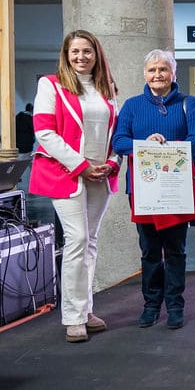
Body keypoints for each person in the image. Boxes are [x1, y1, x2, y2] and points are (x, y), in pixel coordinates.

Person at [29, 29, 119, 343]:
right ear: (66, 55)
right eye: (75, 52)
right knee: (78, 239)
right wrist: (80, 166)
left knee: (90, 242)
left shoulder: (106, 88)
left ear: (97, 54)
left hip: (101, 174)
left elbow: (115, 134)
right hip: (66, 173)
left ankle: (85, 309)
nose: (81, 57)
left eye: (87, 51)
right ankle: (73, 317)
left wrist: (113, 163)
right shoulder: (50, 85)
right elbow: (45, 133)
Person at [112, 49, 195, 330]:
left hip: (174, 187)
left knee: (176, 250)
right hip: (142, 190)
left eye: (163, 69)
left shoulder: (187, 104)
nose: (158, 75)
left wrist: (169, 149)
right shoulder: (131, 106)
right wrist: (146, 146)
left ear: (173, 74)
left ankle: (175, 305)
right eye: (153, 70)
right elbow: (119, 141)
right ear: (145, 74)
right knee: (149, 251)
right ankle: (151, 305)